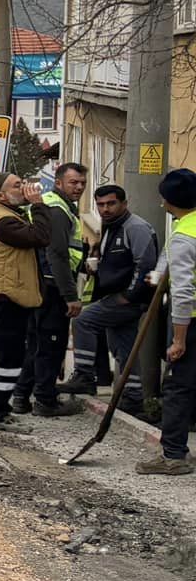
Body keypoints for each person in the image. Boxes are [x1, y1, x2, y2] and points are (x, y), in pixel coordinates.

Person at [58, 182, 160, 407]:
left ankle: (85, 375)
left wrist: (131, 296)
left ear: (124, 203)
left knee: (84, 321)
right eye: (101, 205)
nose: (105, 209)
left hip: (128, 298)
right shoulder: (110, 226)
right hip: (116, 295)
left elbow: (146, 266)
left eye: (111, 204)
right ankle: (133, 397)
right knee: (123, 348)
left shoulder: (135, 227)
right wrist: (97, 267)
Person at [0, 172, 53, 433]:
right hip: (5, 297)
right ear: (1, 195)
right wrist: (38, 204)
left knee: (8, 356)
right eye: (17, 185)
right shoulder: (2, 220)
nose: (24, 187)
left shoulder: (1, 214)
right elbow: (40, 237)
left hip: (4, 294)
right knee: (7, 357)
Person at [17, 162, 87, 416]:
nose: (79, 187)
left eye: (82, 183)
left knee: (36, 343)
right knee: (51, 345)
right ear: (58, 183)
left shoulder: (54, 204)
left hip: (40, 282)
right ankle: (45, 401)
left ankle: (21, 396)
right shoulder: (57, 210)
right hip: (52, 285)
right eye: (73, 182)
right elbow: (57, 254)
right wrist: (70, 295)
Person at [143, 167, 196, 476]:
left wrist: (179, 339)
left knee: (177, 386)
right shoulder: (187, 227)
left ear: (169, 201)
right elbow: (168, 257)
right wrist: (160, 272)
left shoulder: (184, 236)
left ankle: (172, 454)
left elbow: (185, 291)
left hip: (190, 320)